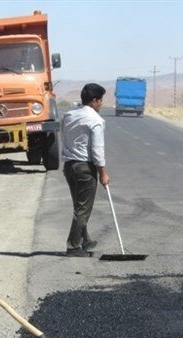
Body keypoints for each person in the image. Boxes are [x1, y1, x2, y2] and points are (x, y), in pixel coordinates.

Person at [61, 83, 110, 257]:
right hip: (85, 168)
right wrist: (103, 172)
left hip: (69, 166)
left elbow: (64, 138)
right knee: (82, 209)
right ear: (94, 101)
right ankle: (73, 247)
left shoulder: (69, 115)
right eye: (101, 100)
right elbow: (97, 150)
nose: (102, 104)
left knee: (79, 206)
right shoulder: (96, 120)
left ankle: (85, 240)